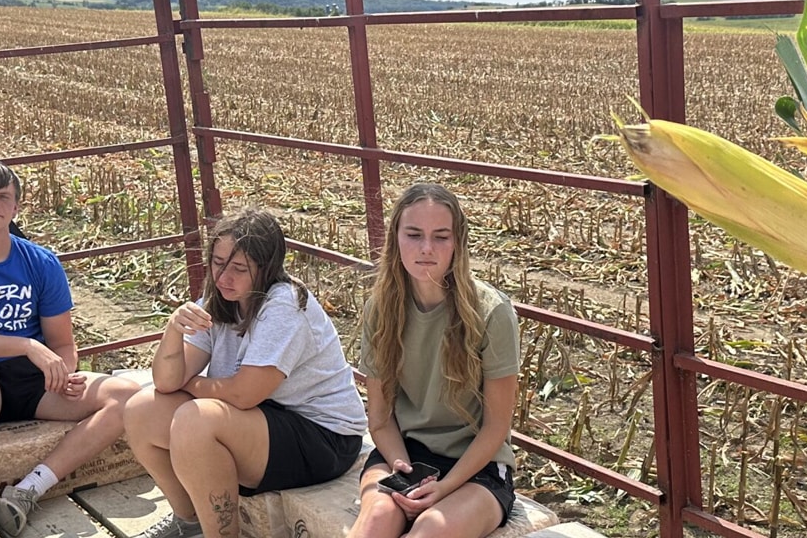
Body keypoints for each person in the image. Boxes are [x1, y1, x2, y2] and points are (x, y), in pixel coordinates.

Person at [0, 160, 142, 538]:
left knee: (128, 395)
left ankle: (27, 491)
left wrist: (65, 370)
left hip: (35, 385)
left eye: (4, 197)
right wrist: (27, 345)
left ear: (16, 208)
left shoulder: (40, 261)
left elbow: (63, 342)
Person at [124, 207, 367, 538]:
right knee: (141, 410)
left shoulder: (283, 304)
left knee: (195, 420)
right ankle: (188, 522)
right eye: (218, 263)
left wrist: (192, 383)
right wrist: (172, 331)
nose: (224, 277)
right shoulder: (218, 297)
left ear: (265, 270)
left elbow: (243, 393)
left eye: (238, 268)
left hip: (323, 435)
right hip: (262, 420)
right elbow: (167, 382)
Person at [348, 184, 520, 538]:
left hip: (475, 465)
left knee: (428, 531)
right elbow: (379, 419)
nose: (427, 248)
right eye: (414, 234)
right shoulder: (380, 309)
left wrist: (443, 488)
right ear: (395, 237)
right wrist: (401, 468)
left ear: (459, 242)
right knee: (374, 526)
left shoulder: (491, 312)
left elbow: (496, 427)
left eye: (441, 236)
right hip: (403, 451)